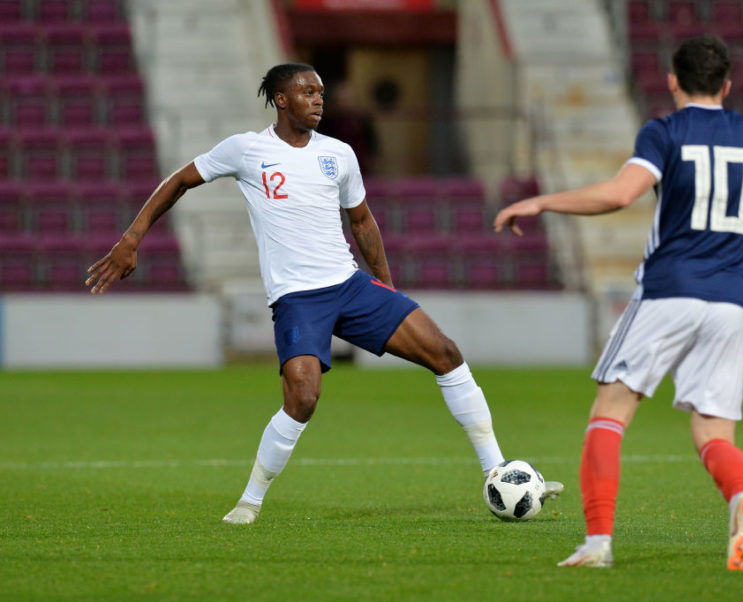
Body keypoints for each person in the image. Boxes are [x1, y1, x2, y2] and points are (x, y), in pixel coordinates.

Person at [85, 63, 562, 524]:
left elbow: (362, 222)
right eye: (307, 92)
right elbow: (179, 181)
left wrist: (385, 288)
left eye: (321, 94)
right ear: (281, 99)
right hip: (298, 298)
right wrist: (131, 239)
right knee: (303, 399)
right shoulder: (245, 149)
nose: (318, 101)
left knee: (446, 354)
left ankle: (496, 470)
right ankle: (250, 501)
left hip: (350, 286)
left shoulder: (339, 154)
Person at [494, 36, 743, 570]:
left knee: (610, 414)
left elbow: (621, 194)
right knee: (712, 431)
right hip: (732, 299)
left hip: (670, 289)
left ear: (672, 81)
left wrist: (543, 201)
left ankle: (597, 544)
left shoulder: (665, 131)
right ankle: (741, 498)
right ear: (727, 86)